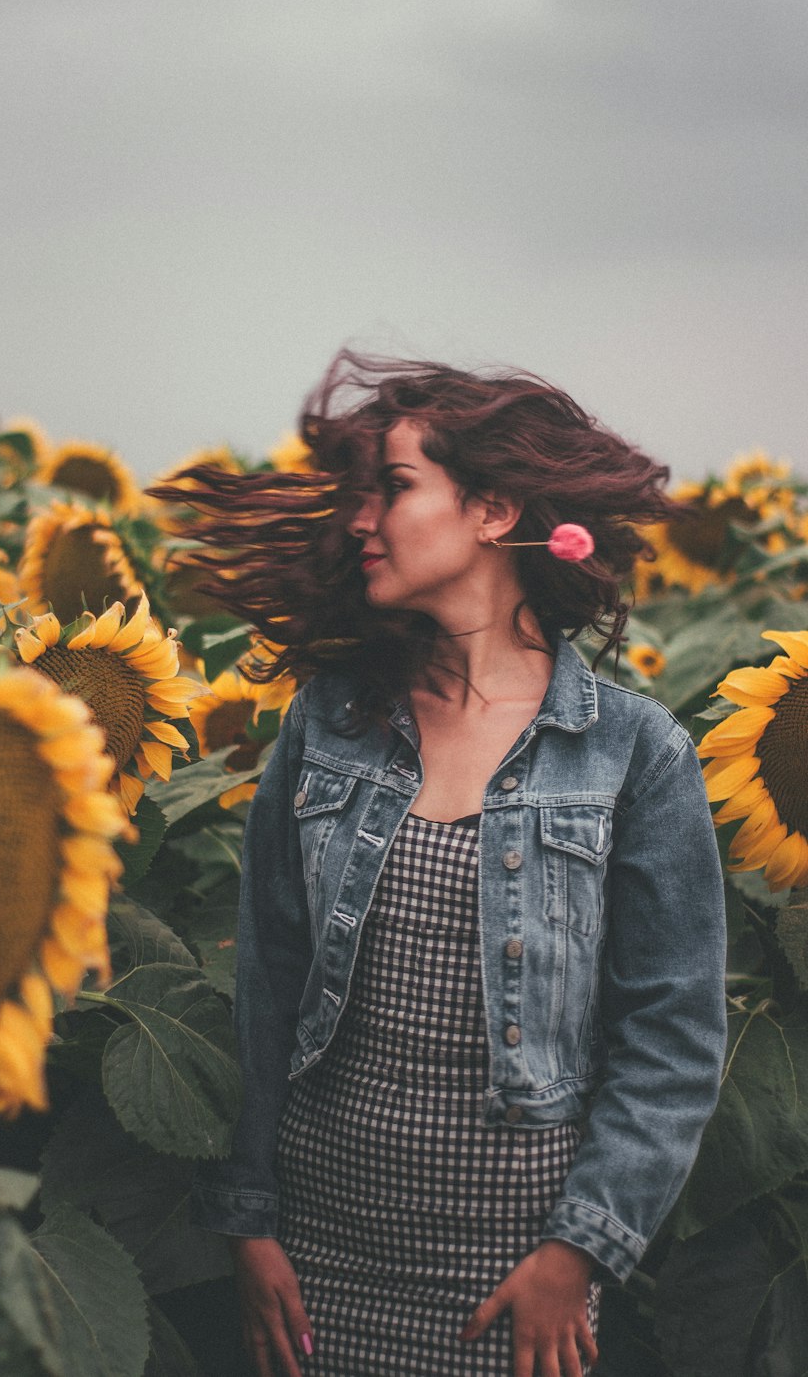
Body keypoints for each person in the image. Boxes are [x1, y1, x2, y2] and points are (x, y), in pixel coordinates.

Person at [163, 353, 727, 1377]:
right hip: (316, 1246)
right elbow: (267, 985)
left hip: (516, 1268)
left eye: (394, 486)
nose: (360, 520)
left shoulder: (632, 752)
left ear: (492, 509)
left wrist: (578, 1249)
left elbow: (672, 1037)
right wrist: (246, 1218)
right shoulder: (328, 723)